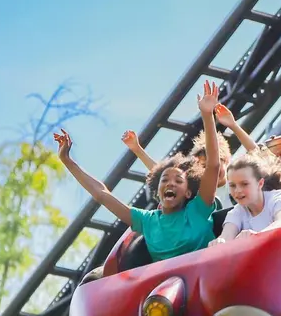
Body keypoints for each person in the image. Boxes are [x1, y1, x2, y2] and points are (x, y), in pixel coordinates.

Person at [55, 80, 223, 263]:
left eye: (178, 180)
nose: (170, 183)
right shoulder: (147, 221)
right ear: (157, 192)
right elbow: (101, 194)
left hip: (205, 274)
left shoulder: (197, 210)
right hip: (166, 285)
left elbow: (213, 166)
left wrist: (207, 115)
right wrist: (67, 160)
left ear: (188, 191)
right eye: (165, 179)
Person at [120, 102, 256, 187]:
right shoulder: (200, 192)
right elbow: (161, 173)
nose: (212, 168)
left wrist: (233, 125)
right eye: (204, 166)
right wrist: (137, 149)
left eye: (216, 162)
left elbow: (258, 154)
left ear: (227, 161)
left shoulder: (240, 181)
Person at [209, 152, 281, 246]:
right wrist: (220, 242)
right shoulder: (236, 212)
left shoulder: (278, 198)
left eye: (244, 184)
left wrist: (257, 236)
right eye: (232, 185)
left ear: (260, 184)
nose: (237, 190)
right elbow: (226, 235)